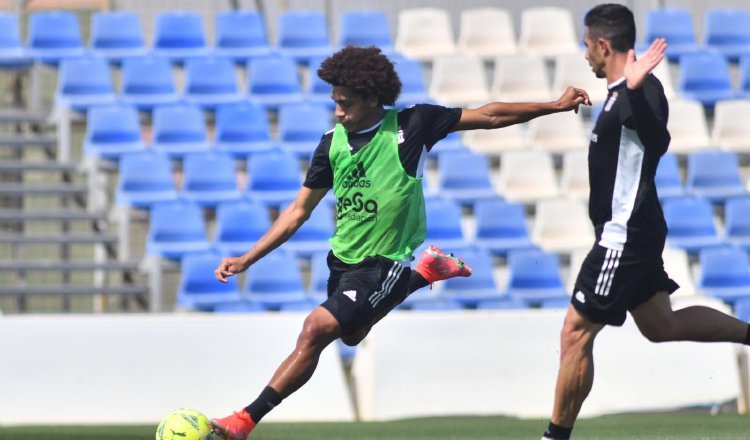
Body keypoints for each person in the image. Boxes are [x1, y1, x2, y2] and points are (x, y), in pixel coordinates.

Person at [209, 45, 590, 440]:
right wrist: (247, 258)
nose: (339, 112)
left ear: (374, 98)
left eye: (347, 103)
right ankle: (425, 273)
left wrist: (553, 105)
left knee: (314, 330)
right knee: (351, 336)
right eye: (335, 103)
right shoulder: (331, 143)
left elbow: (489, 115)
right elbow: (297, 211)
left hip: (384, 261)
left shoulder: (413, 124)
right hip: (343, 260)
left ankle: (244, 421)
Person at [541, 4, 750, 440]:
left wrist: (634, 90)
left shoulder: (642, 89)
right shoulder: (621, 91)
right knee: (661, 325)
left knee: (575, 333)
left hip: (624, 236)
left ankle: (553, 438)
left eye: (586, 47)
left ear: (602, 45)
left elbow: (657, 140)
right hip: (631, 231)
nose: (585, 56)